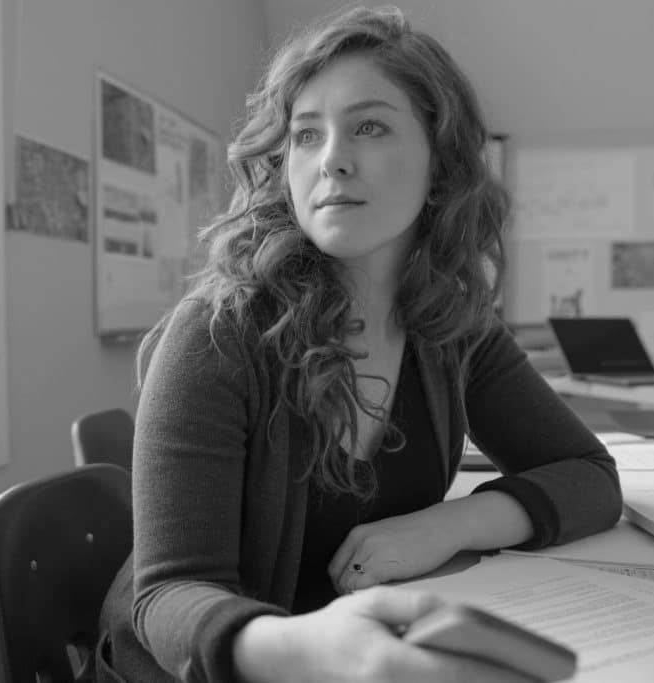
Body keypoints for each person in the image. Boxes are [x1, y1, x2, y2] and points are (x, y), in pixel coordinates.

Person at [97, 6, 622, 682]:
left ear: (440, 165)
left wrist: (449, 524)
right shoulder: (217, 334)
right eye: (306, 135)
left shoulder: (451, 324)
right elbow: (169, 594)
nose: (332, 161)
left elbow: (589, 475)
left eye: (369, 127)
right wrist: (308, 647)